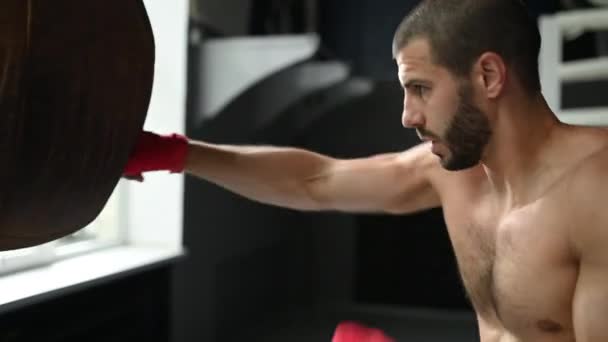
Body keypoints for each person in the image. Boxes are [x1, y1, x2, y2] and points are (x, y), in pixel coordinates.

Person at [124, 0, 608, 341]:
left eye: (419, 88)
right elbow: (316, 181)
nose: (408, 117)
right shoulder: (455, 172)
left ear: (488, 76)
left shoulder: (595, 194)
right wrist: (176, 154)